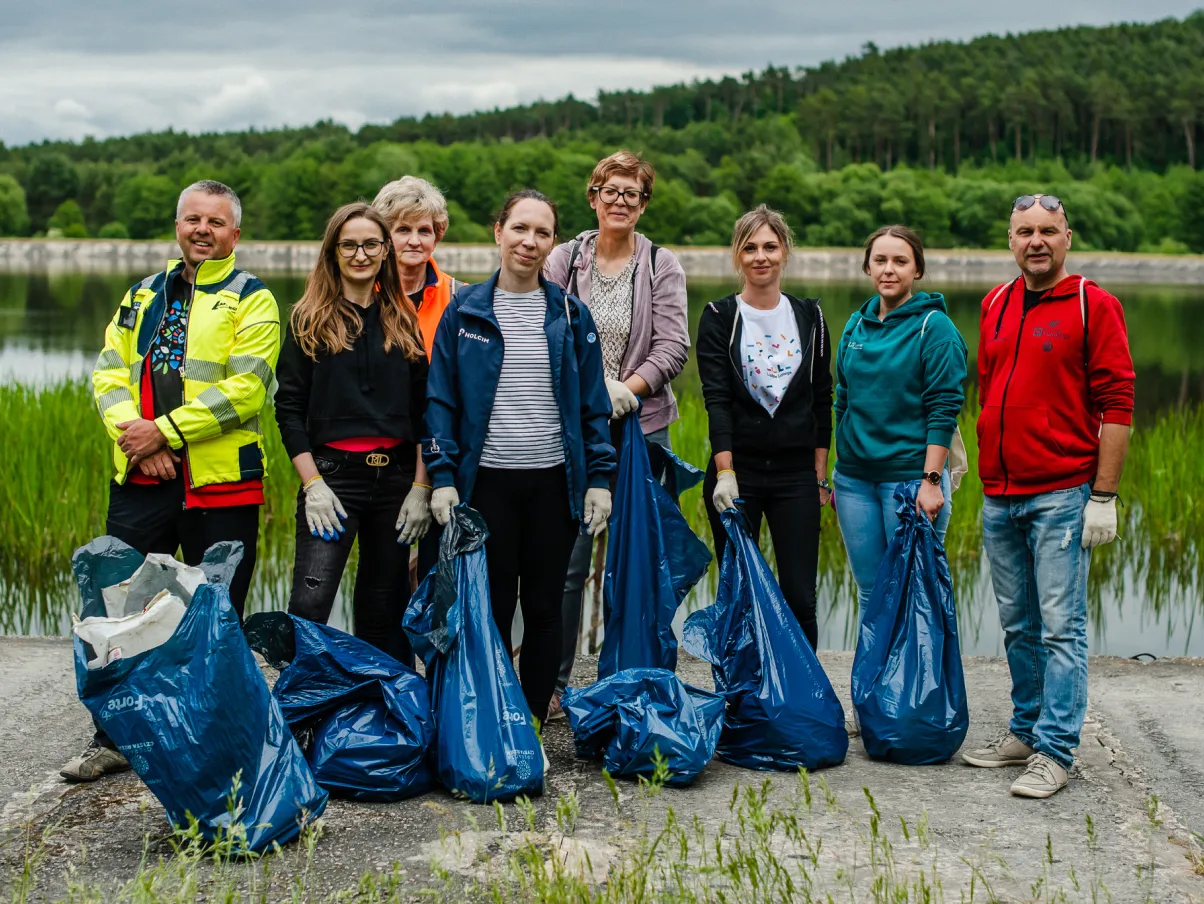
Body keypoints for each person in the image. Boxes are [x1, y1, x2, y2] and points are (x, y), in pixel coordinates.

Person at [66, 180, 281, 781]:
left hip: (220, 485)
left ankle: (217, 740)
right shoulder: (141, 295)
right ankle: (110, 738)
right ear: (178, 225)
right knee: (120, 610)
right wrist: (135, 438)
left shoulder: (253, 300)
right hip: (141, 479)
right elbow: (108, 373)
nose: (202, 231)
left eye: (215, 222)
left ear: (235, 233)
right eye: (193, 220)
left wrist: (164, 433)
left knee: (218, 615)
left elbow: (245, 391)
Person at [962, 194, 1134, 799]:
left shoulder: (1094, 305)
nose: (1036, 241)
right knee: (1017, 625)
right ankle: (1026, 730)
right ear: (1010, 240)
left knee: (1062, 627)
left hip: (1062, 493)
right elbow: (989, 388)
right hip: (1000, 495)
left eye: (1048, 231)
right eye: (1024, 231)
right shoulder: (995, 303)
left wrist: (1104, 496)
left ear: (1067, 237)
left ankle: (1056, 750)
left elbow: (1118, 404)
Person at [424, 189, 616, 727]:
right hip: (486, 487)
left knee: (545, 607)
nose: (529, 242)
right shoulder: (464, 311)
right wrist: (442, 477)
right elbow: (441, 400)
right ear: (498, 231)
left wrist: (599, 479)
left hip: (553, 485)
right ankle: (489, 716)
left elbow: (592, 406)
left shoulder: (569, 315)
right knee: (491, 606)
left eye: (542, 233)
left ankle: (530, 721)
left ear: (553, 243)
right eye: (520, 229)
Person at [543, 149, 690, 716]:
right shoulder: (563, 258)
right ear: (593, 197)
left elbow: (673, 346)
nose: (621, 201)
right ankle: (551, 684)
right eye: (612, 190)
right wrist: (593, 391)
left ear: (644, 203)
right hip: (572, 431)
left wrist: (628, 389)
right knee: (567, 563)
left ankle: (639, 677)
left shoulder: (662, 264)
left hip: (643, 429)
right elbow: (546, 327)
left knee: (639, 562)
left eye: (633, 193)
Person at [275, 202, 430, 663]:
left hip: (396, 482)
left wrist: (421, 487)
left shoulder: (404, 320)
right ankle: (300, 714)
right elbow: (288, 409)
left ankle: (387, 711)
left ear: (385, 251)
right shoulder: (309, 318)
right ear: (333, 252)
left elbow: (425, 413)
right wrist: (313, 485)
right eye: (349, 245)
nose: (360, 254)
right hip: (332, 479)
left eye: (370, 244)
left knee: (385, 607)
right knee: (310, 602)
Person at [696, 205, 833, 650]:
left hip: (796, 476)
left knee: (799, 598)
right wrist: (725, 472)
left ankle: (801, 705)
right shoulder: (718, 316)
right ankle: (740, 703)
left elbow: (821, 399)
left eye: (770, 246)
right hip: (739, 475)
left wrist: (819, 476)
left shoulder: (811, 316)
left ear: (784, 251)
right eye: (750, 247)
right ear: (737, 254)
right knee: (739, 596)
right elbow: (715, 398)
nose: (761, 256)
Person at [832, 225, 967, 613]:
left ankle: (919, 677)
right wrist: (841, 465)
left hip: (909, 482)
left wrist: (931, 481)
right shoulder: (855, 326)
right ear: (868, 268)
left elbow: (943, 408)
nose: (888, 269)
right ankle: (875, 677)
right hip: (855, 481)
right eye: (880, 261)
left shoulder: (934, 328)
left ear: (917, 270)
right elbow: (843, 398)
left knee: (913, 595)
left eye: (900, 261)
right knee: (872, 594)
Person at [371, 176, 464, 580]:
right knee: (381, 580)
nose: (413, 240)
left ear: (437, 236)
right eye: (401, 229)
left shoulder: (462, 298)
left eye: (424, 230)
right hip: (378, 457)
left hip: (442, 456)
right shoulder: (360, 295)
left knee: (435, 576)